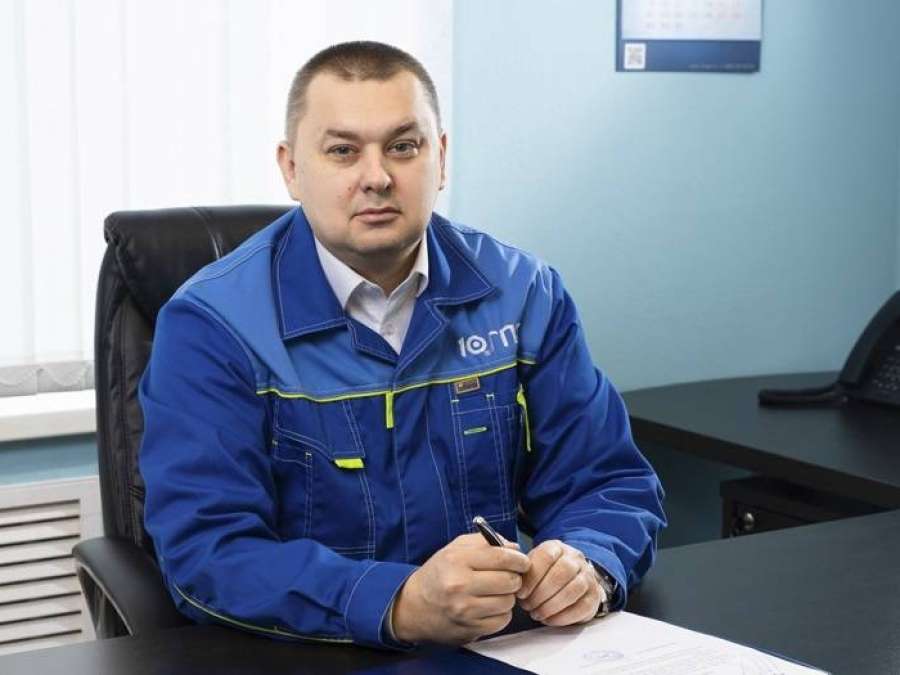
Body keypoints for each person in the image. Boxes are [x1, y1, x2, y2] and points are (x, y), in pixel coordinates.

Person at [139, 41, 666, 649]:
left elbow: (607, 481)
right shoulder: (213, 325)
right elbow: (209, 552)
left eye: (403, 146)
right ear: (291, 168)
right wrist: (397, 603)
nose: (377, 177)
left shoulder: (523, 294)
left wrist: (587, 563)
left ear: (440, 158)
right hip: (306, 655)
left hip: (497, 647)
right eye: (343, 150)